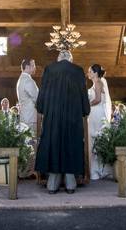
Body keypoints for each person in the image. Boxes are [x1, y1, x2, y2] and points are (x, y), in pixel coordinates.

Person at [35, 50, 90, 194]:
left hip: (53, 115)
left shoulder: (49, 69)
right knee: (71, 145)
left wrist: (41, 107)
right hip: (73, 116)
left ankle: (52, 182)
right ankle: (70, 182)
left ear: (58, 59)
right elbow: (83, 93)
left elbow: (43, 92)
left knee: (54, 144)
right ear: (70, 59)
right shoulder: (78, 70)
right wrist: (85, 109)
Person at [87, 63, 113, 180]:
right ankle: (96, 169)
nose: (88, 73)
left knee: (98, 138)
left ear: (95, 73)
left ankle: (99, 170)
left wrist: (86, 105)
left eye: (90, 71)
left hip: (97, 113)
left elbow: (97, 99)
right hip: (94, 113)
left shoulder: (98, 83)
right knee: (94, 140)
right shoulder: (95, 83)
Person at [16, 59, 39, 135]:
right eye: (33, 65)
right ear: (27, 67)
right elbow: (37, 98)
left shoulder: (21, 79)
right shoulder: (27, 80)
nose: (35, 67)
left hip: (25, 115)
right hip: (30, 117)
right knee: (31, 142)